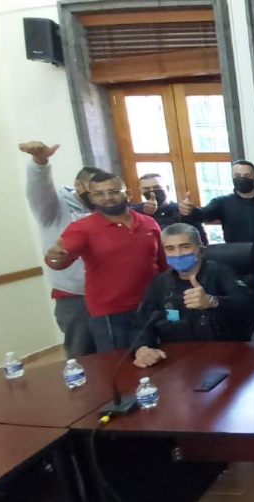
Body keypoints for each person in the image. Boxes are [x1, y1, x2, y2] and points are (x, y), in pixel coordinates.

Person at [45, 171, 168, 352]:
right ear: (91, 198)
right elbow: (62, 258)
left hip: (151, 306)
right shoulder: (82, 228)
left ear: (127, 194)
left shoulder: (149, 223)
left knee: (158, 357)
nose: (107, 198)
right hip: (111, 313)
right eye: (99, 194)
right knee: (118, 363)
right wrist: (55, 258)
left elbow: (163, 263)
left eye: (113, 192)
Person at [132, 224, 251, 368]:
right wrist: (142, 348)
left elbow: (246, 306)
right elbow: (142, 323)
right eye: (170, 249)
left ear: (200, 248)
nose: (178, 254)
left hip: (226, 357)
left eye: (185, 247)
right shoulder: (160, 283)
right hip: (177, 362)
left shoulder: (220, 272)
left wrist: (212, 302)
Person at [19, 141, 97, 358]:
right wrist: (40, 162)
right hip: (75, 296)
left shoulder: (106, 210)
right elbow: (38, 190)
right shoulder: (54, 207)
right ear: (78, 184)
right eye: (94, 188)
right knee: (82, 354)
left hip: (109, 293)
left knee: (114, 352)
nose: (100, 195)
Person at [179, 159, 254, 244]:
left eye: (247, 176)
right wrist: (190, 211)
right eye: (237, 176)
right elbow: (204, 214)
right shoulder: (222, 202)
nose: (242, 179)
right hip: (235, 256)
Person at [135, 173, 208, 245]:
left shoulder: (182, 209)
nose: (152, 192)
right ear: (141, 191)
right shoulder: (136, 212)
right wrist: (144, 214)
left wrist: (191, 214)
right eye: (147, 189)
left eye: (157, 187)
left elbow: (201, 241)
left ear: (167, 188)